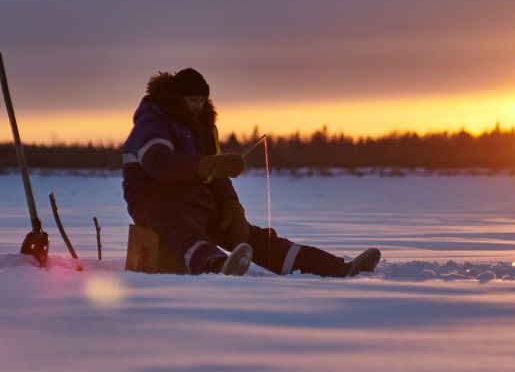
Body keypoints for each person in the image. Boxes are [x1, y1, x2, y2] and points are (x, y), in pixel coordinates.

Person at [121, 68, 381, 277]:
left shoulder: (203, 129)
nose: (198, 106)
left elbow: (216, 176)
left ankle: (334, 267)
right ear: (177, 99)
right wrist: (209, 165)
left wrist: (230, 205)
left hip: (197, 199)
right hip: (156, 201)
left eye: (202, 100)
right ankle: (217, 267)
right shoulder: (152, 122)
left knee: (249, 235)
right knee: (182, 229)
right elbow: (160, 162)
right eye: (192, 100)